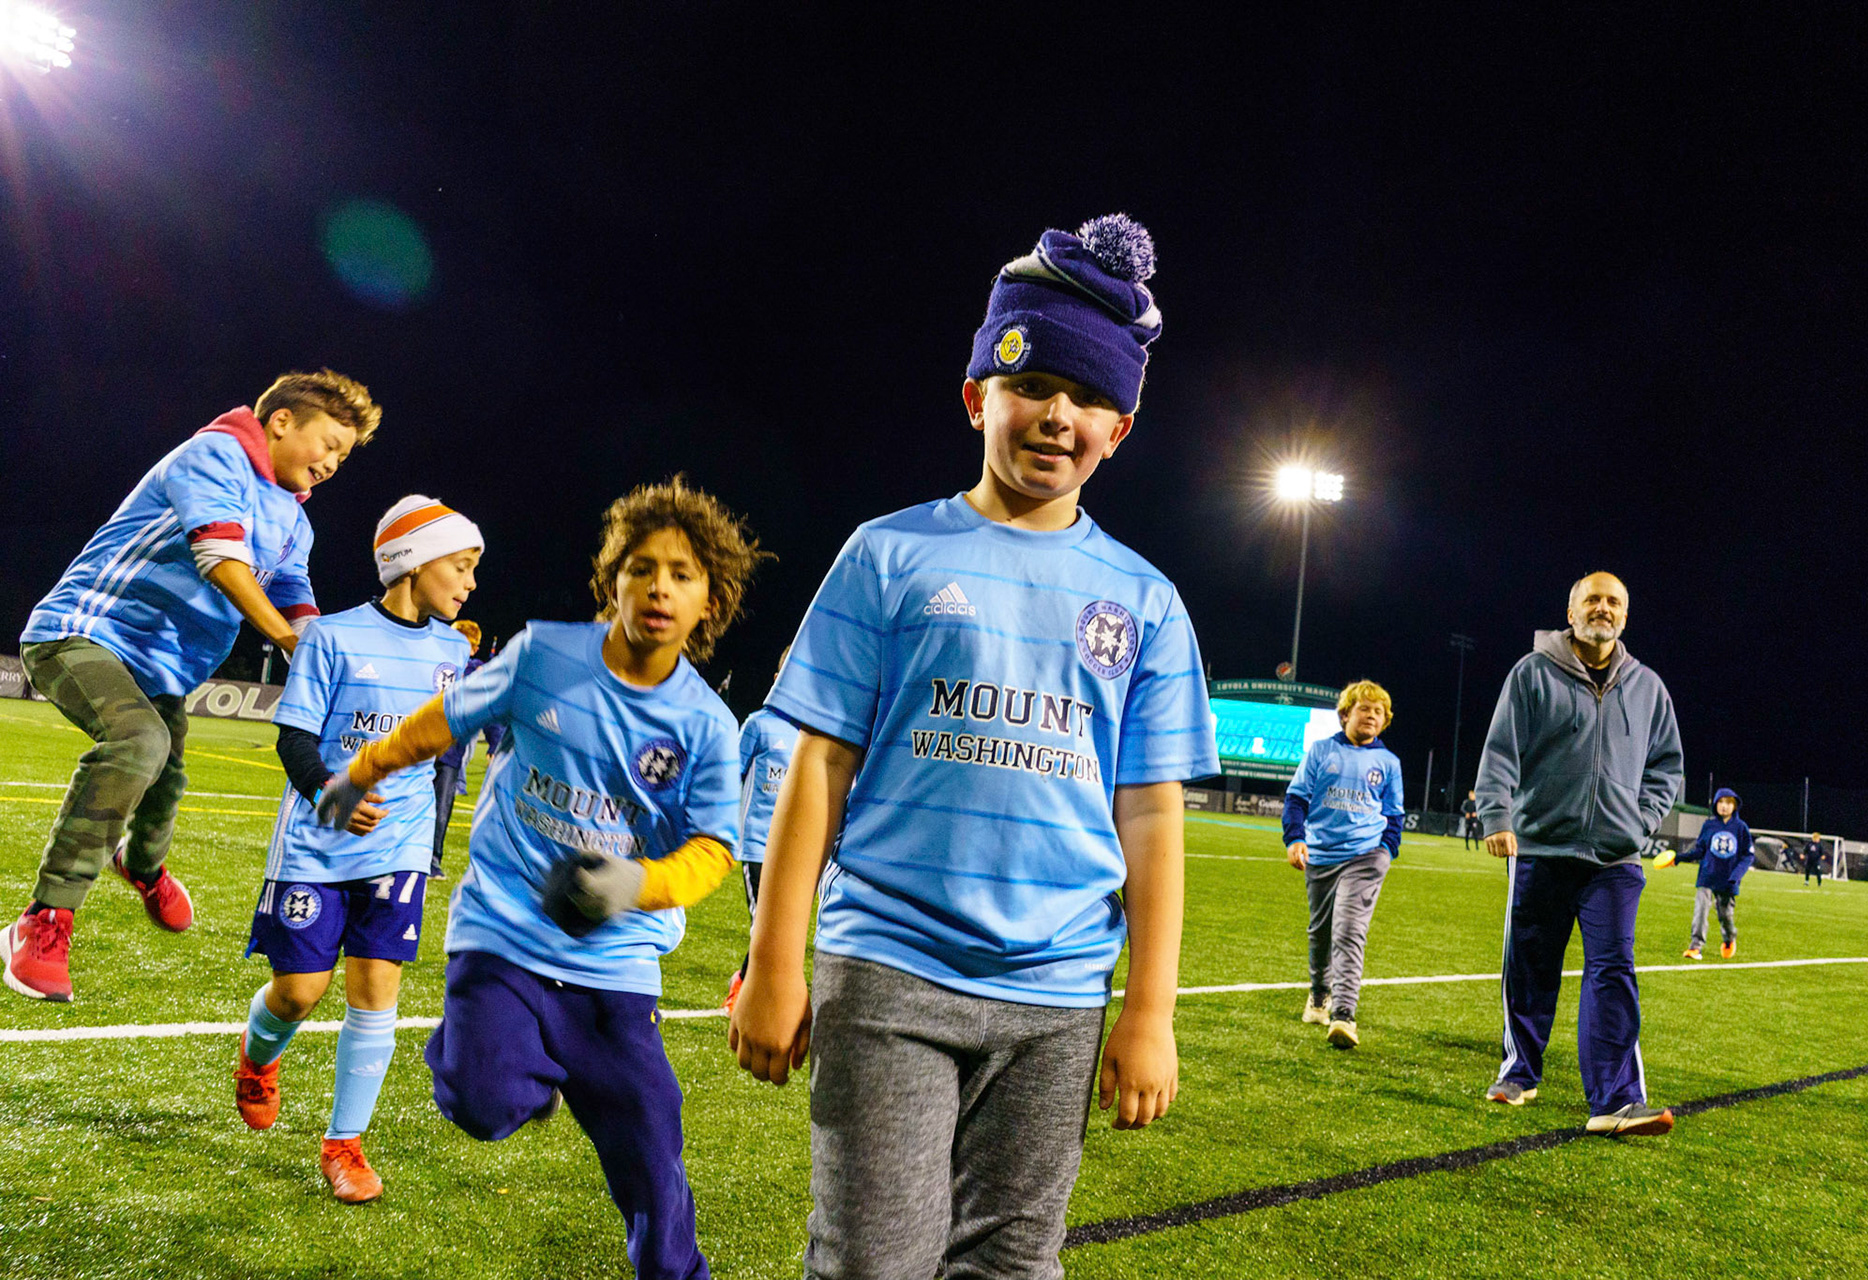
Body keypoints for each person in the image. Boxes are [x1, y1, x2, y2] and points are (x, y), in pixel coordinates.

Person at [730, 214, 1218, 1278]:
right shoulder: (888, 553)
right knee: (873, 1259)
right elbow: (816, 763)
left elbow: (1151, 815)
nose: (1058, 414)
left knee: (1012, 1262)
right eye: (1033, 382)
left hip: (1057, 997)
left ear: (1121, 429)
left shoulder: (1146, 601)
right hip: (889, 970)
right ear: (976, 397)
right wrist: (774, 958)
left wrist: (1149, 1008)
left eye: (1091, 397)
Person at [315, 478, 767, 1279]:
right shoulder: (544, 656)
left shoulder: (705, 724)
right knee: (483, 1104)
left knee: (655, 1150)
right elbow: (445, 720)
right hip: (505, 937)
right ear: (612, 579)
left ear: (710, 600)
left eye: (683, 574)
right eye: (640, 566)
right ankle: (500, 1063)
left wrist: (627, 886)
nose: (659, 586)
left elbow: (711, 852)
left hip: (616, 966)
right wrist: (362, 769)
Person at [4, 371, 379, 1004]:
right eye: (330, 442)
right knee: (139, 744)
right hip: (82, 633)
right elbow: (220, 557)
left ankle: (141, 865)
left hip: (161, 672)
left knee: (168, 779)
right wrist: (292, 647)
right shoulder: (216, 453)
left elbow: (294, 598)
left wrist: (329, 654)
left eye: (345, 455)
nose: (334, 462)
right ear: (282, 421)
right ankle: (41, 920)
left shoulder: (295, 520)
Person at [232, 495, 483, 1203]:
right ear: (411, 560)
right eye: (460, 566)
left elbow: (443, 751)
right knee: (300, 992)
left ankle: (344, 1145)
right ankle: (258, 1058)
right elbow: (294, 737)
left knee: (376, 995)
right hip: (316, 845)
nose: (468, 583)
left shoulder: (454, 650)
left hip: (398, 848)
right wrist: (329, 794)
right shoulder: (330, 638)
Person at [1475, 571, 1683, 1136]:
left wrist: (1640, 822)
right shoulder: (1531, 673)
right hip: (1542, 846)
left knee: (1613, 969)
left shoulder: (1648, 687)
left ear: (1625, 616)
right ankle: (1520, 1071)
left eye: (1614, 601)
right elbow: (1500, 752)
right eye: (1592, 599)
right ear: (1571, 613)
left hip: (1615, 859)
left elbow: (1667, 766)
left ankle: (1615, 1100)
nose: (1603, 608)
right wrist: (1497, 815)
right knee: (1531, 967)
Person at [1283, 679, 1405, 1048]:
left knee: (1349, 930)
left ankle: (1344, 1015)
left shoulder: (1388, 763)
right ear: (1345, 714)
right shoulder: (1321, 752)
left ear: (1385, 721)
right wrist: (1295, 838)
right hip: (1321, 855)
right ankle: (1320, 994)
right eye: (1364, 708)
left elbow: (1395, 815)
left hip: (1366, 856)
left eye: (1378, 711)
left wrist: (1385, 850)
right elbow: (1296, 799)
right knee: (1320, 932)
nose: (1371, 716)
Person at [724, 648, 798, 1013]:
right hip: (756, 845)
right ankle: (744, 991)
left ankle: (748, 985)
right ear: (776, 678)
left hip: (794, 849)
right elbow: (729, 775)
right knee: (763, 927)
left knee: (782, 929)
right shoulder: (758, 724)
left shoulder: (810, 736)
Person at [429, 617, 488, 879]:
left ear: (474, 648)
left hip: (451, 752)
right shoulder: (433, 660)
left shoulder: (477, 671)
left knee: (442, 809)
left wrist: (495, 743)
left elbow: (489, 705)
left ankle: (432, 860)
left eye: (466, 644)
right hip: (419, 749)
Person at [1663, 787, 1753, 959]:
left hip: (1729, 880)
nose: (1724, 806)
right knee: (1701, 910)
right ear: (1715, 805)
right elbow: (1699, 851)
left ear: (1734, 806)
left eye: (1728, 803)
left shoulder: (1741, 828)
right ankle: (1696, 946)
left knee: (1725, 915)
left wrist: (1736, 876)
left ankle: (1729, 938)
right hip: (1707, 876)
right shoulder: (1709, 825)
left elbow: (1748, 855)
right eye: (1721, 802)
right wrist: (1679, 858)